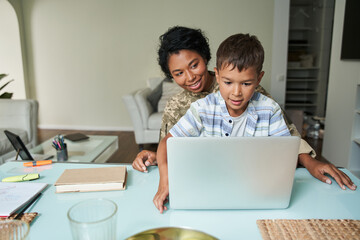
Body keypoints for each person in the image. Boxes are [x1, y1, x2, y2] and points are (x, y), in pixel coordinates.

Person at [132, 26, 356, 192]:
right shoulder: (175, 107)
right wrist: (152, 156)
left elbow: (288, 139)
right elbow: (170, 147)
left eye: (194, 65)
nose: (190, 77)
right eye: (178, 73)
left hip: (253, 179)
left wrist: (311, 162)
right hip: (204, 179)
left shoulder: (252, 93)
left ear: (207, 60)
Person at [154, 33, 293, 212]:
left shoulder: (269, 109)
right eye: (228, 82)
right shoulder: (202, 108)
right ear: (218, 76)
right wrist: (164, 183)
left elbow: (285, 155)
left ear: (258, 79)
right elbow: (167, 144)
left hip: (257, 193)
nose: (236, 92)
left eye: (246, 84)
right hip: (209, 190)